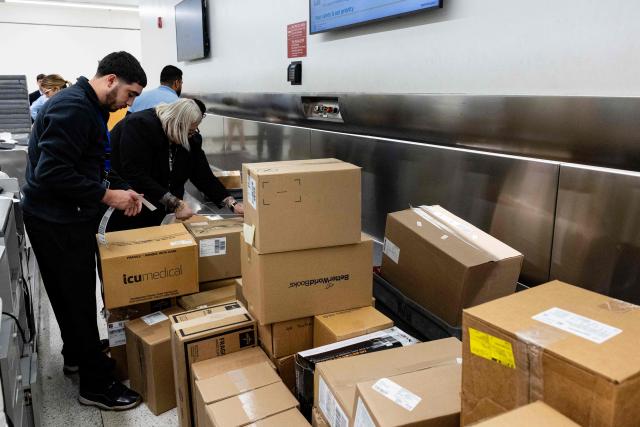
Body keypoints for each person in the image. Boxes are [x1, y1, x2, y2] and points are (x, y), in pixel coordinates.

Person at [22, 51, 147, 410]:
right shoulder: (75, 108)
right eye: (130, 93)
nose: (130, 102)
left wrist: (115, 189)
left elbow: (84, 163)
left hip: (59, 216)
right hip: (56, 221)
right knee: (76, 298)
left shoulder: (88, 106)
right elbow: (52, 173)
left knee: (69, 295)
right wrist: (109, 195)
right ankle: (95, 386)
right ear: (111, 80)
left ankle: (78, 354)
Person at [108, 98, 243, 231]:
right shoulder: (140, 126)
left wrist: (232, 204)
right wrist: (175, 203)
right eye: (188, 132)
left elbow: (203, 175)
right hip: (129, 203)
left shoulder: (190, 139)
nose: (190, 137)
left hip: (161, 207)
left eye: (193, 132)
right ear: (176, 123)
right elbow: (135, 173)